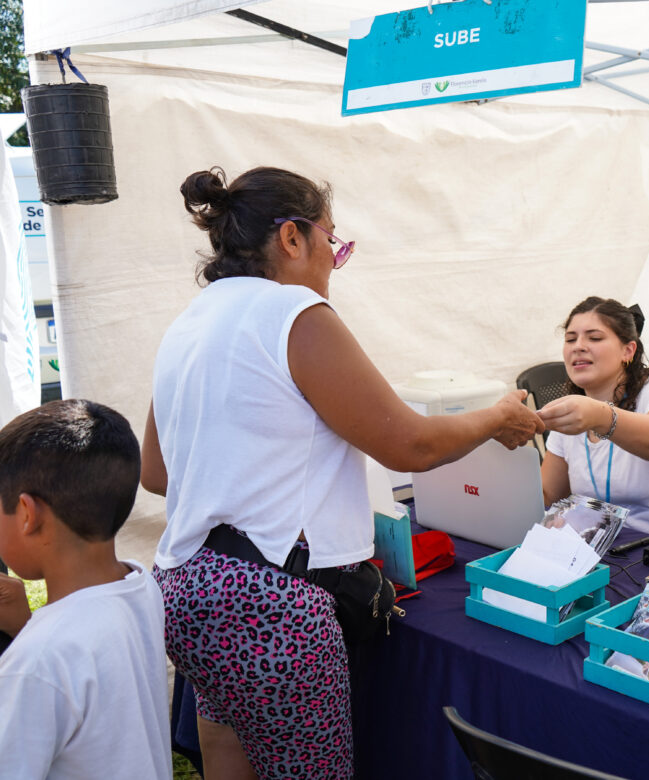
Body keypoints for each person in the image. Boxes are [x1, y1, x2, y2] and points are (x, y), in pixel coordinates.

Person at [141, 166, 543, 780]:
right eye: (334, 241)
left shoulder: (188, 322)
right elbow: (408, 443)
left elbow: (156, 471)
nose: (334, 260)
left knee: (227, 756)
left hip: (187, 586)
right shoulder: (294, 310)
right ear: (292, 238)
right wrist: (494, 418)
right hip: (271, 600)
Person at [0, 399, 170, 779]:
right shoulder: (138, 585)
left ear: (27, 514)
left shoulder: (34, 665)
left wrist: (28, 642)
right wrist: (27, 627)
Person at [538, 296, 649, 538]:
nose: (578, 346)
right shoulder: (571, 412)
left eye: (594, 338)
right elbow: (549, 496)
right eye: (570, 339)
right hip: (613, 550)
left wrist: (598, 415)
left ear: (628, 350)